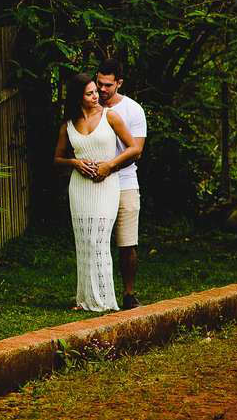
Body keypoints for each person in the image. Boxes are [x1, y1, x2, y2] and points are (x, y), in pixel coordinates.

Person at [53, 72, 140, 312]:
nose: (96, 95)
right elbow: (57, 159)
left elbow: (134, 149)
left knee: (99, 239)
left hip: (106, 184)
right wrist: (75, 163)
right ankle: (84, 299)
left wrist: (110, 165)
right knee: (84, 242)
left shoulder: (110, 117)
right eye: (90, 93)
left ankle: (104, 300)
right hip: (80, 187)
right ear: (78, 97)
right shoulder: (68, 124)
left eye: (96, 91)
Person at [94, 59, 146, 309]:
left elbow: (137, 151)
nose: (102, 90)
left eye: (107, 85)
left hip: (125, 182)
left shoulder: (133, 110)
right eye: (99, 84)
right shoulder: (88, 107)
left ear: (119, 83)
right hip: (95, 183)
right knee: (96, 239)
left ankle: (129, 294)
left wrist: (110, 167)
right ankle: (98, 294)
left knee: (127, 241)